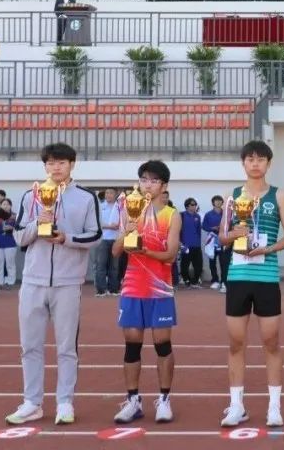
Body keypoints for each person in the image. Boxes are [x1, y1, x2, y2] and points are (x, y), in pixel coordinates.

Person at [7, 142, 102, 425]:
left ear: (72, 164)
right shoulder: (31, 196)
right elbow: (19, 237)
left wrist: (66, 238)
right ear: (44, 166)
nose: (55, 168)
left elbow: (95, 235)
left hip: (68, 282)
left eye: (61, 162)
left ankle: (64, 402)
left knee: (66, 347)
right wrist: (38, 223)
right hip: (32, 281)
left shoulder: (86, 197)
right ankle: (32, 402)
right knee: (30, 346)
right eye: (50, 163)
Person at [218, 140, 284, 428]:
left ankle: (274, 406)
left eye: (260, 159)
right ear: (243, 163)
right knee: (236, 343)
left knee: (271, 341)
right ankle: (237, 405)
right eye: (250, 159)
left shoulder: (279, 196)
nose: (255, 164)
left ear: (268, 164)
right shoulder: (232, 196)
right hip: (238, 277)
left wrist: (267, 249)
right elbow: (222, 237)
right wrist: (234, 233)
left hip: (267, 277)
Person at [111, 160, 182, 425]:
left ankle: (164, 400)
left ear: (164, 185)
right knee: (132, 345)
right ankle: (133, 401)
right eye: (143, 180)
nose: (147, 185)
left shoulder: (172, 215)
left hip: (160, 288)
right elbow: (116, 251)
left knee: (162, 344)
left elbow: (171, 255)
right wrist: (127, 232)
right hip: (133, 287)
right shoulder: (130, 210)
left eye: (153, 180)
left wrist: (145, 251)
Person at [96, 188, 121, 297]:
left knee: (114, 266)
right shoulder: (100, 206)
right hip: (103, 239)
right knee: (101, 265)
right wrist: (110, 226)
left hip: (116, 239)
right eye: (107, 193)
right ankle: (101, 290)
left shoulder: (120, 207)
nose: (108, 195)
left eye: (111, 193)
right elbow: (96, 223)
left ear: (116, 195)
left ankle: (113, 289)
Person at [0, 198, 18, 288]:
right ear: (0, 206)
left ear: (10, 206)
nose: (5, 206)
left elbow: (20, 228)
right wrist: (0, 229)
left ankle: (10, 282)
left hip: (10, 243)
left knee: (10, 264)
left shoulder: (15, 216)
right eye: (3, 204)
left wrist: (12, 228)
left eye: (7, 204)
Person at [203, 196, 226, 291]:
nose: (218, 202)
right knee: (212, 261)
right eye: (216, 201)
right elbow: (204, 226)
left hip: (223, 240)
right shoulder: (208, 214)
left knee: (223, 262)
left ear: (222, 202)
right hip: (212, 240)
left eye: (220, 201)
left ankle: (224, 281)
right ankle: (215, 280)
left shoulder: (226, 213)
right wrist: (212, 228)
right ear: (213, 203)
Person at [179, 198, 203, 288]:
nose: (194, 206)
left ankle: (195, 282)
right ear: (187, 206)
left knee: (198, 265)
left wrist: (199, 242)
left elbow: (198, 231)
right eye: (192, 204)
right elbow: (177, 230)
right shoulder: (181, 215)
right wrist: (180, 243)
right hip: (185, 245)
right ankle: (186, 281)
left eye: (195, 204)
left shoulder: (198, 216)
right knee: (185, 265)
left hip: (196, 245)